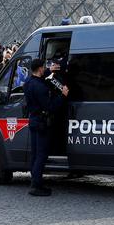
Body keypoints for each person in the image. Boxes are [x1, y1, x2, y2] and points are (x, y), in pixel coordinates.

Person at [23, 58, 68, 196]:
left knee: (35, 154)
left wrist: (50, 70)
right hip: (42, 123)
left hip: (33, 120)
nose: (45, 69)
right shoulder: (41, 87)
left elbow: (40, 77)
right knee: (41, 155)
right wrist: (63, 95)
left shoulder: (28, 83)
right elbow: (50, 106)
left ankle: (35, 181)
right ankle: (36, 186)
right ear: (39, 68)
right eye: (44, 67)